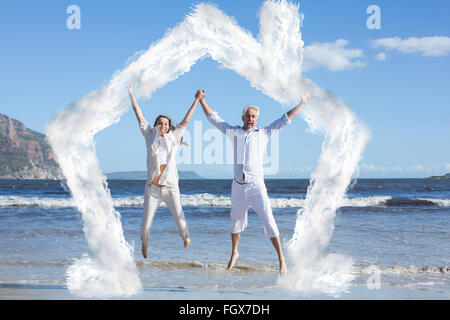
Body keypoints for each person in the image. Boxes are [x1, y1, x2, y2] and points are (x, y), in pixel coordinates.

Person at [197, 88, 314, 276]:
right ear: (242, 118)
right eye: (248, 116)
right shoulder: (233, 132)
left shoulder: (264, 133)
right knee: (235, 222)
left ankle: (281, 259)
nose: (251, 119)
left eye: (253, 117)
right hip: (237, 186)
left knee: (268, 220)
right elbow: (213, 118)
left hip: (256, 186)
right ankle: (234, 252)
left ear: (257, 119)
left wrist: (302, 103)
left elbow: (285, 119)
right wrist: (202, 100)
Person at [128, 83, 200, 259]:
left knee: (180, 219)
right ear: (156, 125)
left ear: (169, 126)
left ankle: (186, 237)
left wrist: (197, 100)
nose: (162, 126)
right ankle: (145, 244)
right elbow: (138, 114)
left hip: (170, 187)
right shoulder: (149, 134)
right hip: (152, 189)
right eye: (159, 123)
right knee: (145, 225)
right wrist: (131, 93)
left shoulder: (173, 137)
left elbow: (186, 120)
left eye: (165, 124)